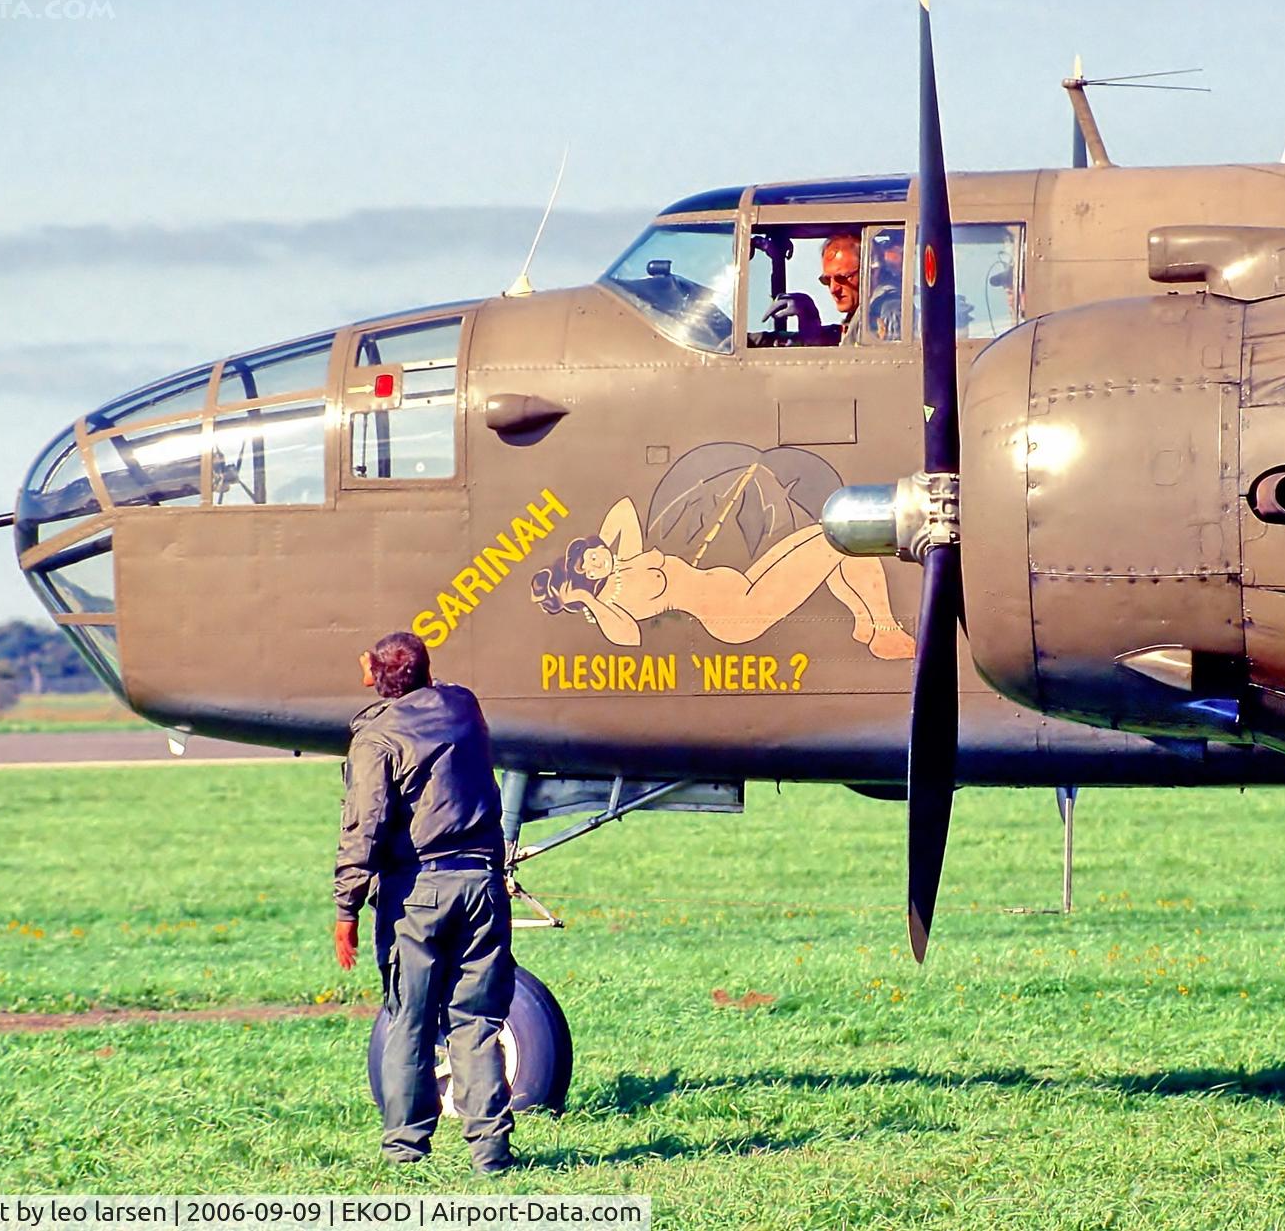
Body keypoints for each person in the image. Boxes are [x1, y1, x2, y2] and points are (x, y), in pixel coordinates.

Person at [335, 631, 517, 1173]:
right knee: (477, 1020)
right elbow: (434, 686)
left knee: (409, 1020)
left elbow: (362, 827)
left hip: (419, 894)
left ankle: (404, 1152)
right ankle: (491, 1153)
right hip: (483, 887)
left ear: (372, 672)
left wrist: (346, 908)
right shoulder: (464, 707)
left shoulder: (376, 739)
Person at [529, 496, 913, 658]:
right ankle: (885, 628)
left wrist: (599, 558)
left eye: (589, 554)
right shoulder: (614, 600)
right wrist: (583, 598)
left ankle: (867, 624)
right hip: (741, 612)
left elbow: (623, 510)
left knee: (830, 534)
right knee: (840, 537)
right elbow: (628, 638)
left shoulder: (625, 559)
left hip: (745, 587)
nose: (595, 561)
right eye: (587, 569)